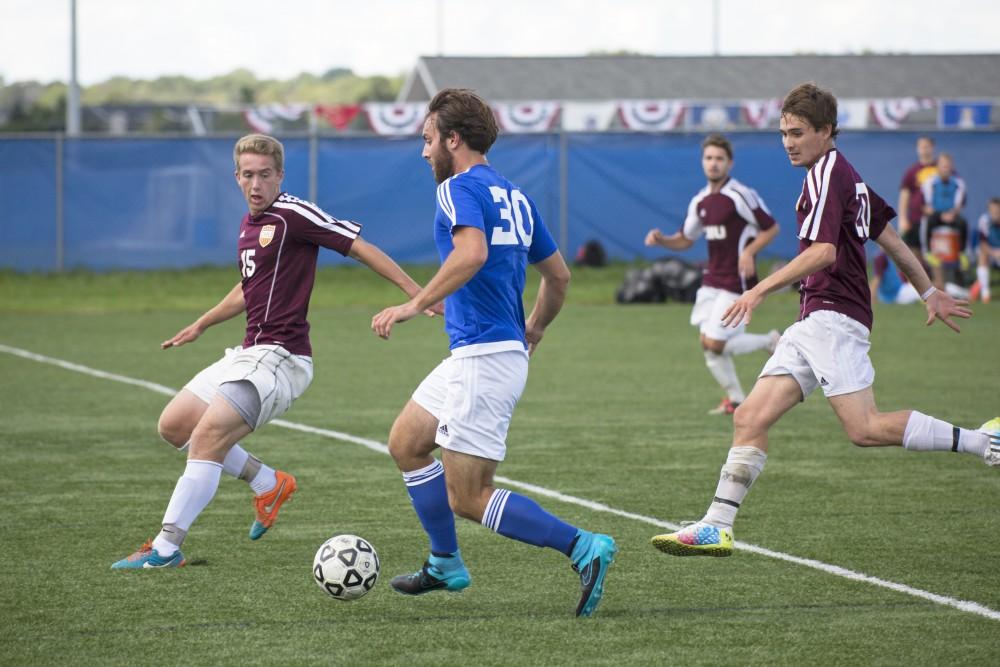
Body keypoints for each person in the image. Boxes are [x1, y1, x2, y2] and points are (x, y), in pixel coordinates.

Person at [650, 83, 999, 558]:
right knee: (750, 416)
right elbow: (892, 241)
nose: (788, 142)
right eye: (783, 133)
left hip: (834, 319)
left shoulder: (827, 176)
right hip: (814, 318)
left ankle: (984, 441)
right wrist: (930, 291)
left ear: (826, 131)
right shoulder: (845, 175)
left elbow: (823, 252)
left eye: (797, 133)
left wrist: (756, 290)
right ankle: (717, 524)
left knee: (865, 428)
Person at [112, 133, 430, 568]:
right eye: (248, 175)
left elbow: (359, 247)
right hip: (249, 352)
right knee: (175, 427)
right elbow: (249, 288)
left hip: (281, 358)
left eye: (265, 174)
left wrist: (418, 295)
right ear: (236, 177)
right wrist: (202, 323)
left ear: (280, 175)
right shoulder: (249, 226)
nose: (256, 183)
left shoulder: (293, 214)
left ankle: (165, 548)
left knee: (206, 436)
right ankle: (267, 482)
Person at [370, 88, 617, 617]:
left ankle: (582, 546)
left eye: (429, 140)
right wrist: (536, 328)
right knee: (407, 443)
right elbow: (559, 276)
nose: (424, 152)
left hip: (484, 358)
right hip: (482, 354)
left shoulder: (456, 188)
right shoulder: (516, 196)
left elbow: (472, 252)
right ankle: (445, 564)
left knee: (469, 495)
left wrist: (415, 304)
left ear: (452, 140)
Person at [645, 134, 781, 415]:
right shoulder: (701, 201)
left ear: (729, 163)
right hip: (712, 279)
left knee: (716, 343)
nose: (714, 164)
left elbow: (771, 228)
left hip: (736, 279)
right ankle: (735, 401)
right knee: (707, 343)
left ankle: (770, 340)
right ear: (702, 162)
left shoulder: (740, 194)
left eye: (719, 158)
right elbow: (685, 239)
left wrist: (748, 252)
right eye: (709, 158)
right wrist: (662, 240)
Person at [920, 153, 969, 291]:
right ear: (938, 167)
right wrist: (940, 214)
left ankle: (962, 252)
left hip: (951, 216)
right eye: (943, 166)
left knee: (963, 222)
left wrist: (952, 214)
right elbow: (927, 205)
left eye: (948, 166)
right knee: (928, 221)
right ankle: (928, 252)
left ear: (952, 167)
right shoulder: (930, 183)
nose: (946, 169)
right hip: (936, 216)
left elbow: (959, 204)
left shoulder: (958, 183)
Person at [897, 135, 938, 253]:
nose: (924, 149)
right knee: (914, 255)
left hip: (937, 221)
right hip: (916, 221)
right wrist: (903, 220)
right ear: (917, 149)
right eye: (921, 147)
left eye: (927, 146)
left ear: (933, 147)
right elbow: (904, 197)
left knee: (936, 256)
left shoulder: (942, 169)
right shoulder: (912, 171)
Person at [971, 197, 1000, 303]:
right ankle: (985, 293)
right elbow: (983, 244)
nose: (995, 213)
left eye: (997, 211)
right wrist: (994, 253)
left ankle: (978, 284)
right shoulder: (984, 220)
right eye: (992, 211)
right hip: (991, 252)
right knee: (982, 255)